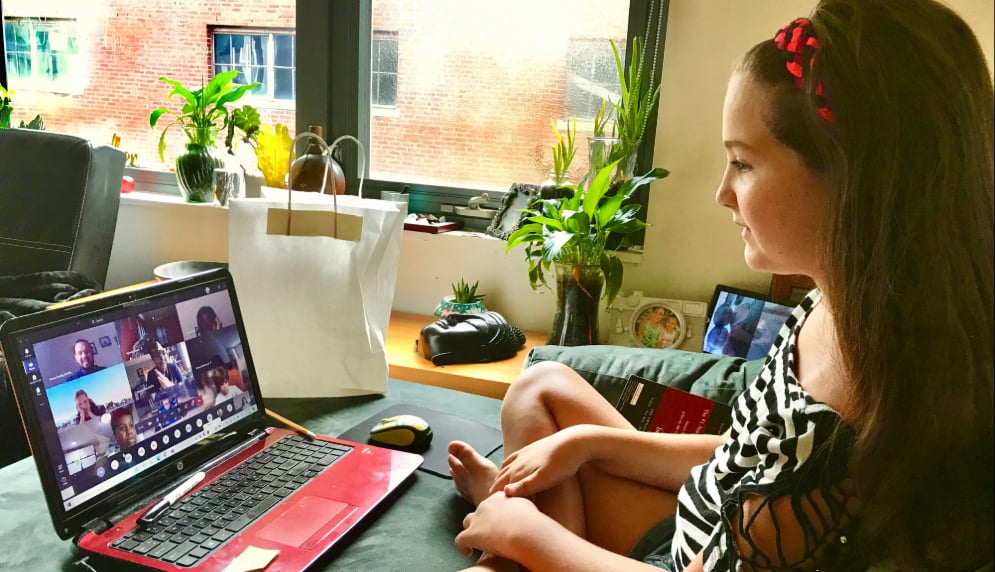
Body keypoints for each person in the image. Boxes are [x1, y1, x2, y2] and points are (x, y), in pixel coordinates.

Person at [446, 1, 994, 570]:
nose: (723, 193)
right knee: (540, 386)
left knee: (508, 547)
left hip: (702, 559)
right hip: (698, 521)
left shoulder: (882, 394)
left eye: (744, 164)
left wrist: (528, 536)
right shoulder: (826, 304)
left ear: (850, 178)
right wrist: (587, 445)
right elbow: (743, 460)